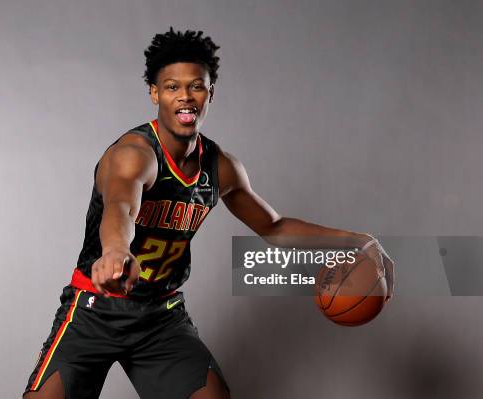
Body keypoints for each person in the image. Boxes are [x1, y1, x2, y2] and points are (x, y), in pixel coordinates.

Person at [22, 27, 394, 399]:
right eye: (171, 86)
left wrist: (359, 240)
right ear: (154, 92)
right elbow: (121, 204)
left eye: (196, 86)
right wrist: (116, 250)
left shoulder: (222, 167)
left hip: (159, 316)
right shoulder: (134, 154)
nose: (185, 96)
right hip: (94, 311)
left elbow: (275, 227)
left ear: (210, 93)